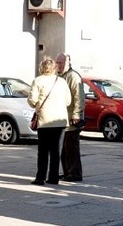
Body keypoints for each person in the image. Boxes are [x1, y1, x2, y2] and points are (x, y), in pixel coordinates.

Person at [28, 56, 72, 185]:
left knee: (43, 151)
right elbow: (68, 101)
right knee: (56, 151)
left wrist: (36, 105)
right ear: (54, 68)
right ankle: (54, 178)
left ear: (42, 67)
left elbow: (32, 100)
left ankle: (40, 177)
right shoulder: (62, 81)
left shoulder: (38, 81)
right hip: (60, 120)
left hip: (45, 120)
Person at [56, 53, 85, 181]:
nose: (58, 65)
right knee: (64, 149)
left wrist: (77, 114)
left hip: (72, 117)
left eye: (60, 63)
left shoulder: (73, 76)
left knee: (72, 148)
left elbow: (79, 96)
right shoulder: (59, 76)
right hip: (62, 118)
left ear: (68, 63)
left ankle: (75, 173)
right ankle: (67, 171)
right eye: (57, 62)